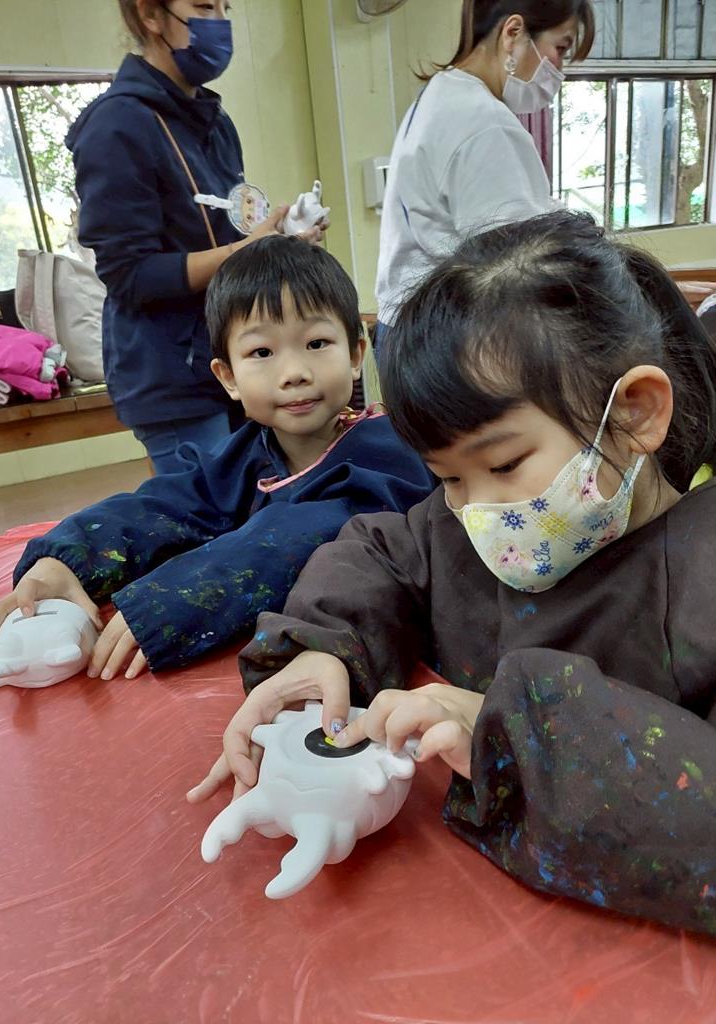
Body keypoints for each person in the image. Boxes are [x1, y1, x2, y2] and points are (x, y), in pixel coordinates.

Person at [192, 212, 716, 937]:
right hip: (426, 928)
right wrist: (322, 647)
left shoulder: (700, 577)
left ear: (633, 412)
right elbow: (376, 551)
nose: (478, 511)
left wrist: (508, 735)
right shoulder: (459, 527)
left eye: (504, 464)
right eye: (448, 477)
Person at [0, 238, 434, 679]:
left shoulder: (389, 450)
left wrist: (170, 599)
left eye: (316, 343)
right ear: (228, 376)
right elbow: (171, 502)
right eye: (262, 352)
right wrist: (66, 558)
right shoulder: (247, 451)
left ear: (355, 354)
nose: (295, 373)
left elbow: (310, 530)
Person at [67, 0, 322, 473]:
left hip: (231, 359)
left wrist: (278, 242)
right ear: (150, 15)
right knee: (207, 510)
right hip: (173, 379)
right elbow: (130, 274)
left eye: (226, 7)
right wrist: (244, 251)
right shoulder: (117, 124)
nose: (220, 22)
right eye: (204, 6)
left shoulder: (214, 123)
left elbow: (229, 228)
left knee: (261, 500)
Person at [374, 0, 594, 348]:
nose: (559, 70)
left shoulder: (441, 94)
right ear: (513, 33)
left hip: (407, 327)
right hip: (440, 338)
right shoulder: (483, 121)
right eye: (561, 48)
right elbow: (518, 269)